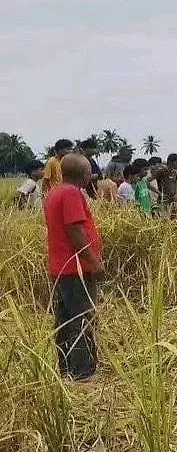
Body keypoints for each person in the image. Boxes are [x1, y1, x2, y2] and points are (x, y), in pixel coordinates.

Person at [43, 153, 102, 381]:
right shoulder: (71, 193)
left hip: (61, 267)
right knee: (81, 319)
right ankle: (82, 372)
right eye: (89, 171)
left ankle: (66, 368)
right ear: (84, 174)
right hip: (75, 268)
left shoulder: (54, 192)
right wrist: (93, 261)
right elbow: (75, 231)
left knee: (65, 320)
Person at [153, 153, 177, 218]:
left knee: (174, 219)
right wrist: (160, 193)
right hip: (163, 201)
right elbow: (147, 182)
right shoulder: (162, 171)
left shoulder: (174, 173)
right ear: (171, 162)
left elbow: (175, 184)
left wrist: (175, 195)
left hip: (173, 201)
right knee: (163, 219)